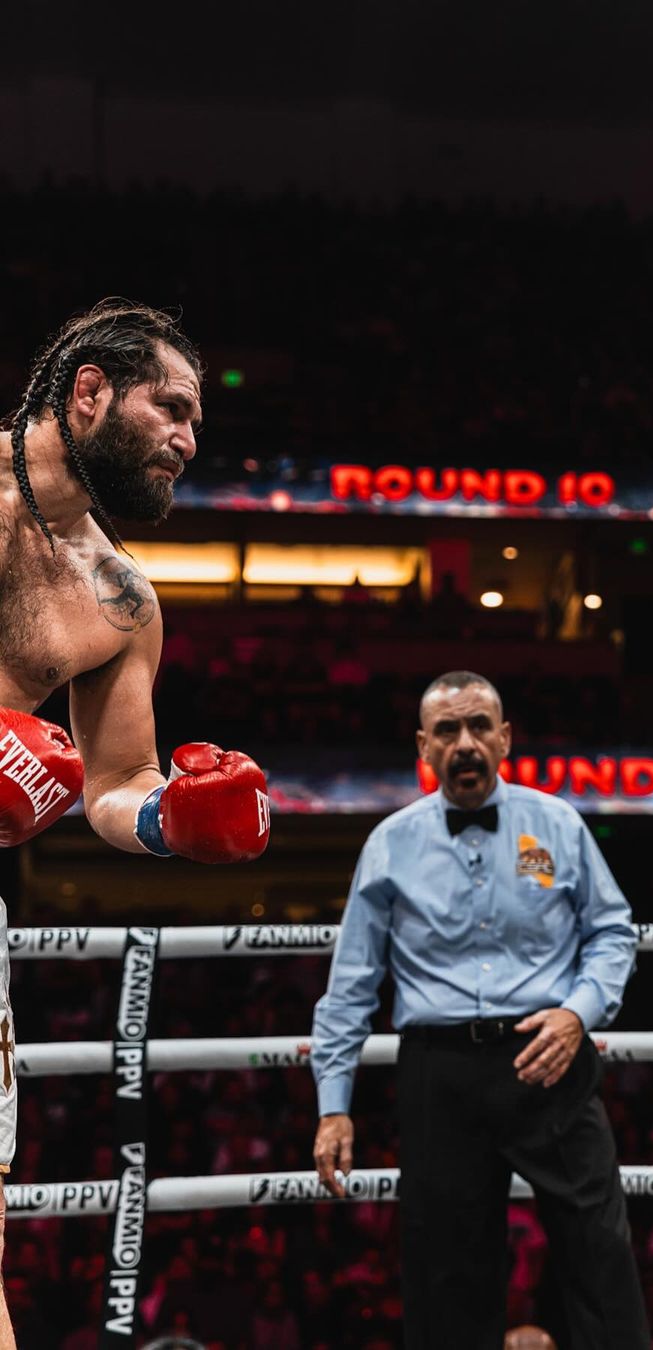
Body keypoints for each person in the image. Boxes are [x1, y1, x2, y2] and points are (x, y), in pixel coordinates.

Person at [0, 299, 270, 1343]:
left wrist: (171, 820)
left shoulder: (121, 599)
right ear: (89, 391)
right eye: (173, 407)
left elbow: (111, 781)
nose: (190, 439)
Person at [310, 670, 649, 1350]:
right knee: (446, 1270)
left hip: (549, 1055)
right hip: (443, 1072)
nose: (464, 743)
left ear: (505, 737)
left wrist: (579, 1013)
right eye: (447, 731)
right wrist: (333, 1102)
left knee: (599, 1250)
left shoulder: (558, 822)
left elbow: (612, 932)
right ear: (424, 748)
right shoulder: (390, 843)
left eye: (478, 727)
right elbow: (352, 981)